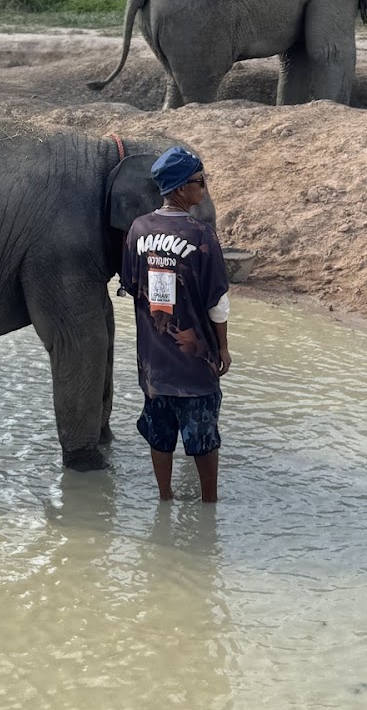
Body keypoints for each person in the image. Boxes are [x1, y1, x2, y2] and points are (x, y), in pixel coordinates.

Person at [120, 144, 231, 504]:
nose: (204, 188)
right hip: (195, 365)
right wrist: (224, 348)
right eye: (201, 181)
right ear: (183, 189)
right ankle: (209, 504)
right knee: (203, 439)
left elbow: (132, 285)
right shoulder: (201, 235)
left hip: (154, 364)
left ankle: (165, 498)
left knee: (160, 435)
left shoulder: (138, 230)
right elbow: (217, 302)